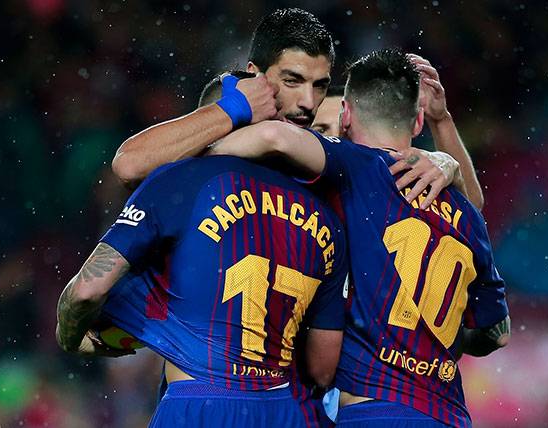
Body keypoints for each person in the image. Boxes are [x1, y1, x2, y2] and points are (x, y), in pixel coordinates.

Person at [201, 49, 510, 427]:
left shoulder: (352, 170)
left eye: (333, 130)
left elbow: (273, 136)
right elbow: (496, 333)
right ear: (416, 123)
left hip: (365, 408)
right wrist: (424, 346)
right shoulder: (464, 217)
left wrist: (190, 162)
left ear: (346, 117)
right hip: (446, 414)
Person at [55, 146, 349, 426]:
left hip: (200, 405)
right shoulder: (324, 216)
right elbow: (322, 368)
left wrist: (69, 336)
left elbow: (85, 292)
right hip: (284, 409)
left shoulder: (184, 180)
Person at [110, 8, 479, 212]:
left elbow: (469, 213)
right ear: (255, 75)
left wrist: (444, 143)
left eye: (319, 85)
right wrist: (233, 110)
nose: (306, 102)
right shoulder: (228, 117)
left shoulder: (336, 157)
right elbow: (129, 166)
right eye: (292, 81)